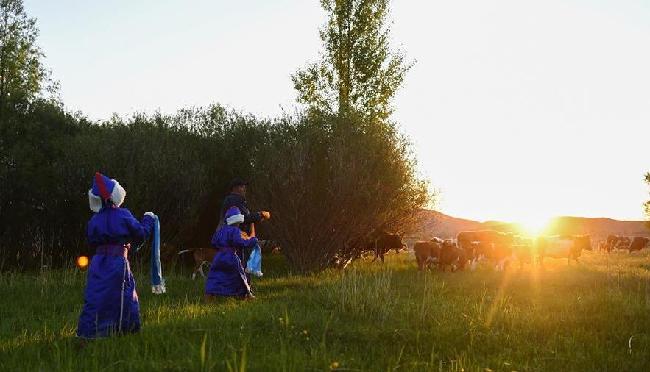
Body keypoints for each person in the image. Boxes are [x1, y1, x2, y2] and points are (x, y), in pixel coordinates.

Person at [77, 172, 156, 340]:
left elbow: (91, 239)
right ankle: (123, 331)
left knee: (95, 295)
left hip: (98, 262)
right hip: (117, 262)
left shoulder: (94, 220)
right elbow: (141, 233)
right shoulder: (123, 214)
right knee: (123, 296)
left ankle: (88, 333)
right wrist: (148, 219)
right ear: (115, 194)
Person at [205, 206, 259, 299]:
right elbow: (240, 242)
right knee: (240, 276)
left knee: (214, 276)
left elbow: (213, 241)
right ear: (237, 221)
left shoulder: (220, 230)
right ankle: (246, 295)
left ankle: (209, 296)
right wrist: (252, 240)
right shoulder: (235, 231)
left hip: (219, 257)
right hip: (231, 257)